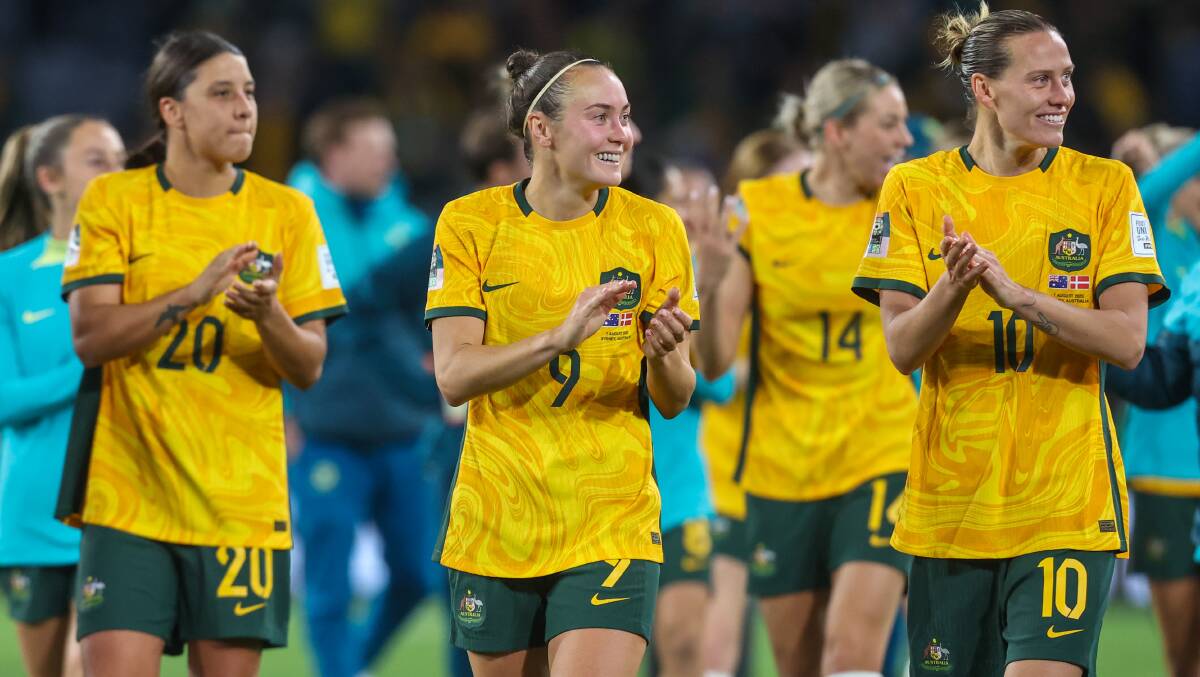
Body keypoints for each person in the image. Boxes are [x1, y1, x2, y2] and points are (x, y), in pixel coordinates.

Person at [851, 4, 1168, 675]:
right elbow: (902, 347)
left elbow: (1128, 339)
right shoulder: (915, 188)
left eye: (1067, 77)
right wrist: (955, 286)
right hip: (950, 506)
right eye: (1042, 80)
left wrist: (1020, 297)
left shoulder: (1104, 186)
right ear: (984, 90)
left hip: (1066, 503)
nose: (1064, 96)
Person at [56, 31, 346, 677]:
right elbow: (91, 337)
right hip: (131, 496)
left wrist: (269, 314)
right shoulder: (115, 201)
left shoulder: (286, 211)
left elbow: (309, 365)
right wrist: (191, 294)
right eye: (221, 93)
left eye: (248, 93)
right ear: (172, 110)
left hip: (239, 505)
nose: (245, 107)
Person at [426, 49, 700, 677]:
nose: (620, 134)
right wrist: (559, 337)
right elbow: (454, 376)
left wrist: (662, 356)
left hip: (611, 518)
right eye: (600, 116)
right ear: (541, 130)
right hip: (498, 517)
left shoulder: (655, 228)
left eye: (624, 117)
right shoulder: (471, 223)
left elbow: (676, 396)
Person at [694, 59, 916, 677]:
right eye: (890, 124)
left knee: (851, 654)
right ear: (838, 131)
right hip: (781, 467)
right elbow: (712, 361)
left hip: (880, 452)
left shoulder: (906, 207)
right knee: (798, 663)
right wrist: (708, 288)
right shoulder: (757, 210)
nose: (905, 140)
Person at [284, 97, 440, 677]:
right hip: (324, 429)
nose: (390, 161)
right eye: (375, 148)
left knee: (416, 575)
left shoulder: (411, 228)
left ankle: (351, 669)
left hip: (403, 428)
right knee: (328, 582)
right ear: (333, 153)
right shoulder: (289, 220)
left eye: (390, 149)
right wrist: (283, 413)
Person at [0, 115, 124, 677]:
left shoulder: (142, 270)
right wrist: (95, 353)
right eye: (98, 160)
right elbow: (5, 399)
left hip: (120, 505)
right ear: (50, 179)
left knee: (90, 665)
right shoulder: (11, 276)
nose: (117, 172)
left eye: (121, 159)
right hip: (33, 510)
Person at [699, 125, 811, 677]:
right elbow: (709, 361)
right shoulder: (729, 257)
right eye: (783, 184)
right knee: (717, 648)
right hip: (733, 469)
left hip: (811, 465)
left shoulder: (818, 259)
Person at [628, 156, 736, 677]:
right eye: (682, 199)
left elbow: (718, 378)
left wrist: (709, 285)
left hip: (681, 497)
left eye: (704, 200)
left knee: (684, 646)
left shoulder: (714, 275)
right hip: (614, 496)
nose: (694, 213)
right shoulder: (623, 273)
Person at [1107, 127, 1200, 677]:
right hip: (1165, 466)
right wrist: (1159, 168)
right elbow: (1145, 193)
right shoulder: (1152, 242)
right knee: (1181, 656)